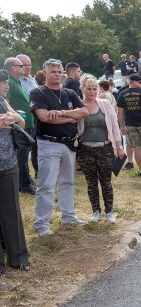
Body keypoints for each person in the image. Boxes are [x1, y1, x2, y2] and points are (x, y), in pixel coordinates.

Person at [30, 59, 90, 236]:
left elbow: (85, 112)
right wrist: (72, 118)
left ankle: (68, 216)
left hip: (69, 143)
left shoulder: (69, 93)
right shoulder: (38, 92)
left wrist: (63, 113)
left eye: (59, 71)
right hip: (48, 143)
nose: (57, 74)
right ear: (45, 73)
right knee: (47, 185)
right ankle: (42, 224)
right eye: (53, 71)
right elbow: (44, 117)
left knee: (68, 182)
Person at [76, 75, 124, 223]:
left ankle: (109, 212)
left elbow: (115, 126)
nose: (92, 92)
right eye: (89, 89)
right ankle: (95, 211)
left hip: (105, 149)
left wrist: (119, 147)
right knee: (91, 182)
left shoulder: (105, 104)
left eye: (94, 89)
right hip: (85, 150)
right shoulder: (78, 106)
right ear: (82, 89)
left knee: (106, 181)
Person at [0, 69, 30, 273]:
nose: (7, 85)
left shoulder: (3, 101)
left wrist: (14, 117)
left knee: (12, 212)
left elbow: (23, 122)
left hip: (8, 163)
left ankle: (18, 258)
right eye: (3, 82)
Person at [4, 57, 35, 194]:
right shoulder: (9, 82)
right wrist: (16, 118)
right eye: (21, 65)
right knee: (22, 156)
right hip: (19, 125)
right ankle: (25, 185)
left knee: (24, 155)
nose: (25, 68)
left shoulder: (17, 82)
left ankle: (23, 180)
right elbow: (5, 103)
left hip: (26, 123)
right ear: (13, 68)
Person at [117, 74, 141, 177]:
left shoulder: (122, 94)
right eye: (140, 82)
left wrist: (122, 126)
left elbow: (120, 113)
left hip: (130, 125)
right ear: (134, 82)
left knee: (136, 148)